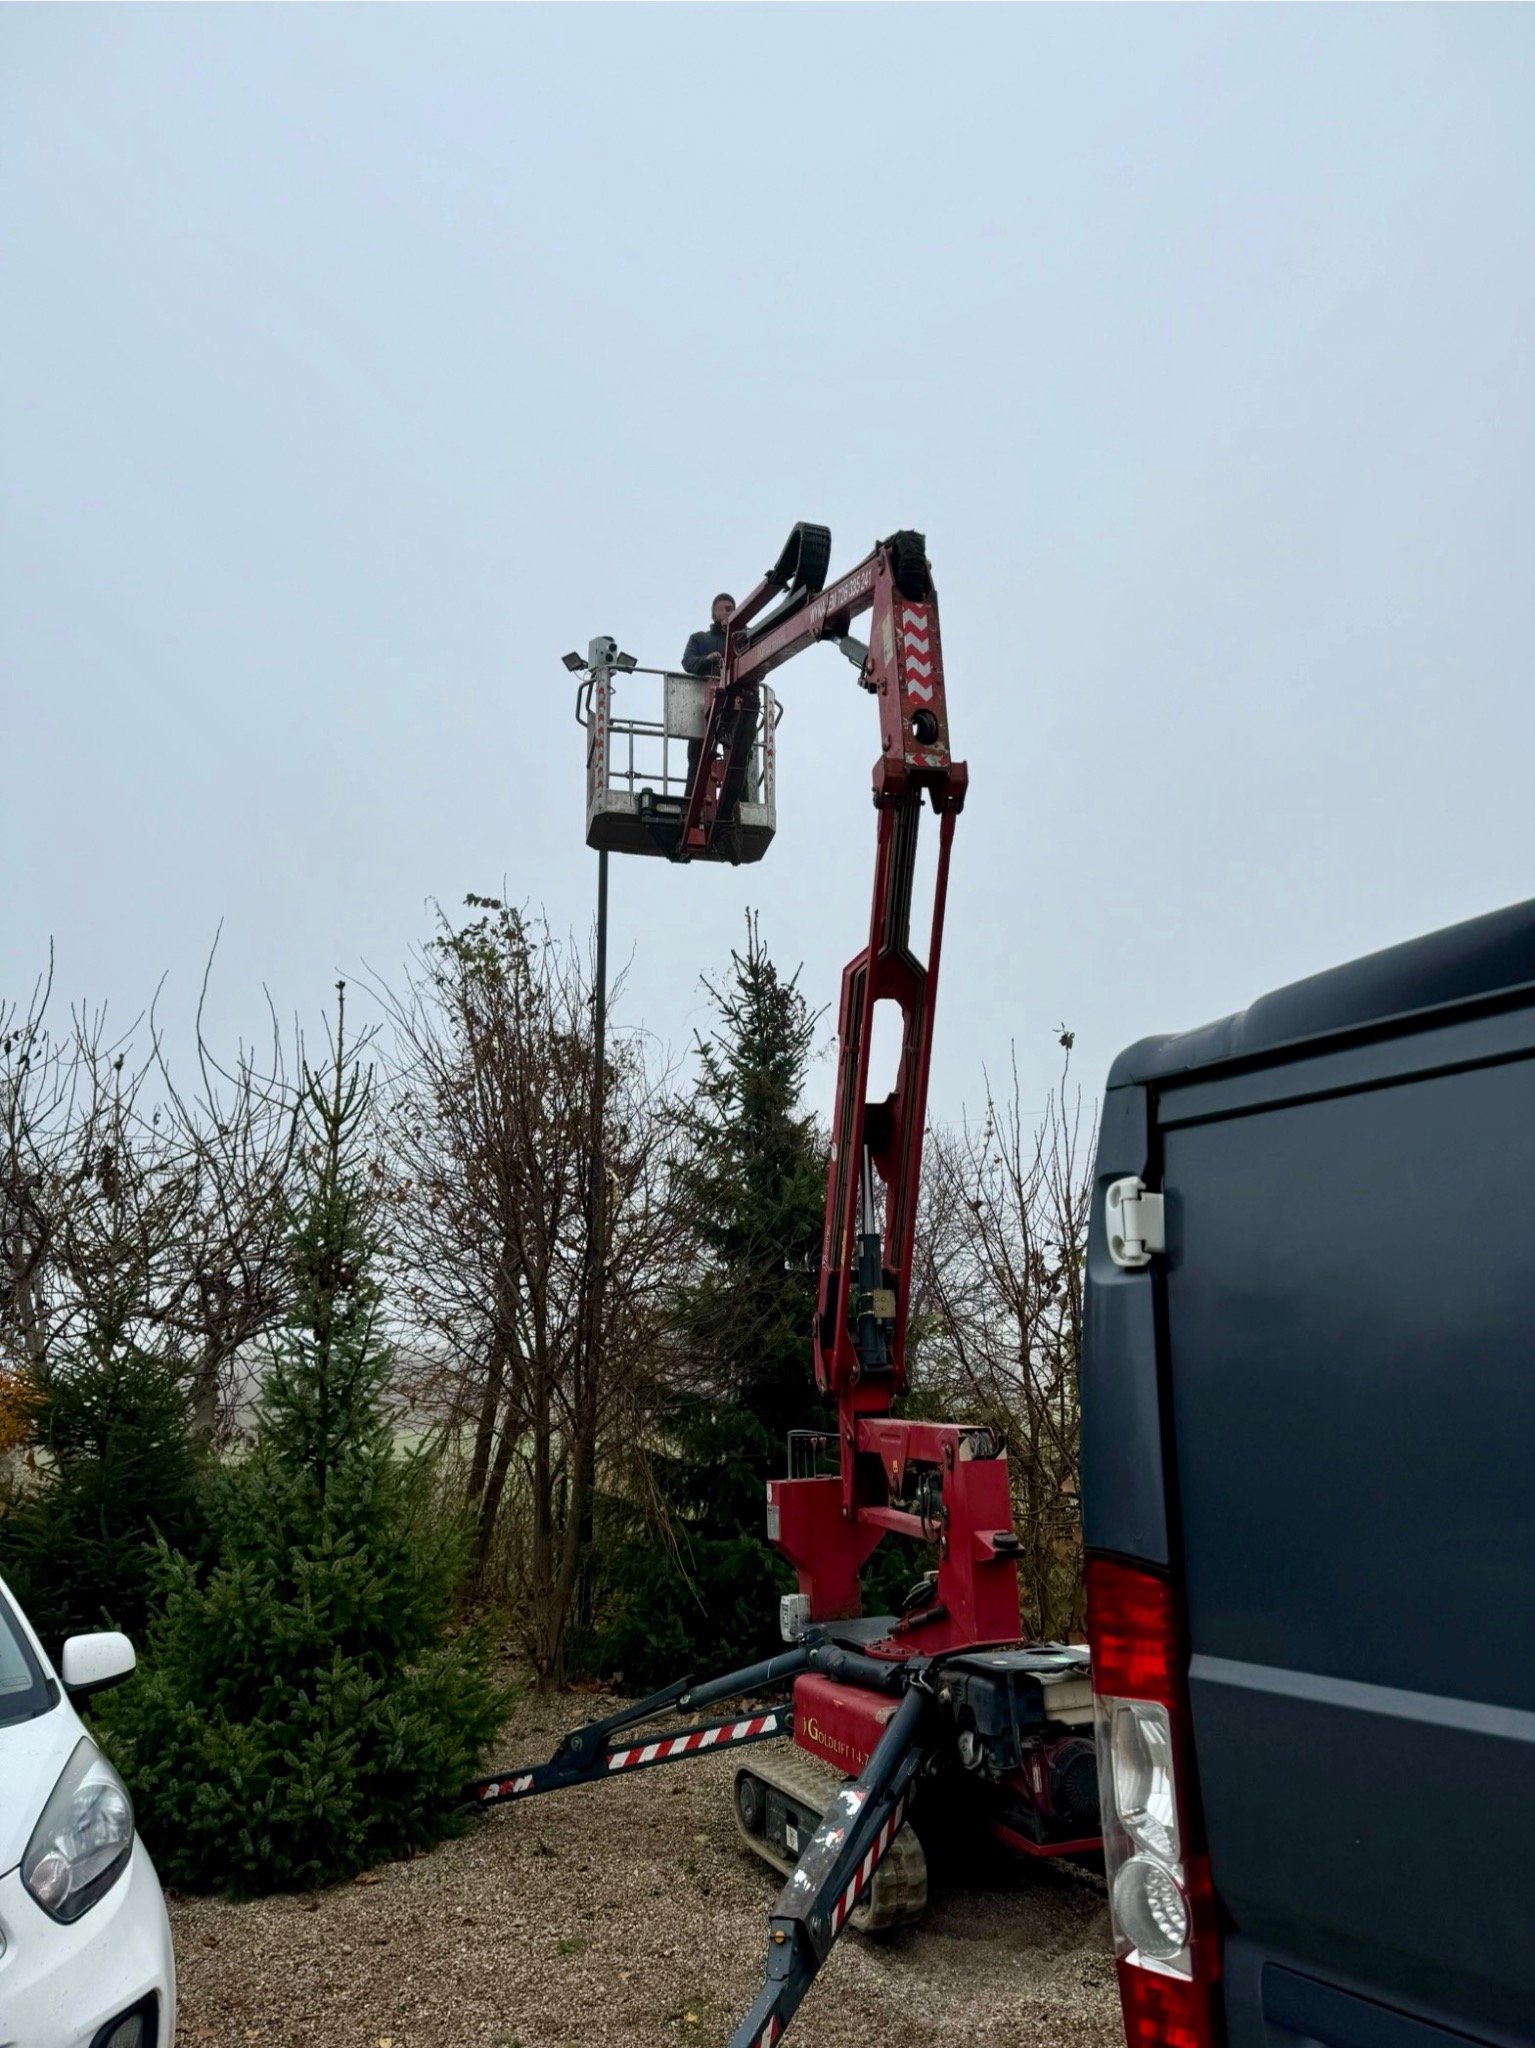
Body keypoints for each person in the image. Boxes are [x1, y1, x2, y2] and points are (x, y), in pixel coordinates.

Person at [679, 593, 757, 815]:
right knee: (698, 755)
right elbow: (688, 662)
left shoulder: (742, 640)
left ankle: (740, 805)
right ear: (714, 613)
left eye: (732, 608)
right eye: (725, 608)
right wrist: (708, 660)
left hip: (735, 706)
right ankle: (690, 806)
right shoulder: (700, 639)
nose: (729, 611)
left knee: (740, 755)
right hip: (705, 706)